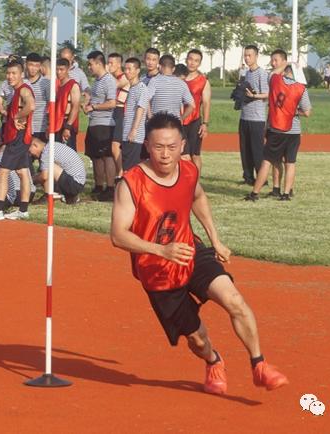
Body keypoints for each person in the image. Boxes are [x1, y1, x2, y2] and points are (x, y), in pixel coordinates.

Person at [110, 112, 289, 395]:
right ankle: (214, 360)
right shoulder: (130, 183)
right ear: (146, 145)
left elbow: (198, 197)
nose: (166, 154)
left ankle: (260, 365)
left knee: (235, 300)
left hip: (192, 253)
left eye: (172, 146)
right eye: (158, 147)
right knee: (197, 340)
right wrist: (162, 250)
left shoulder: (189, 171)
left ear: (182, 144)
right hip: (157, 273)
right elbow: (118, 235)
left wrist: (214, 240)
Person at [246, 55, 312, 202]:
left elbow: (273, 73)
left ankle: (255, 193)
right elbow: (307, 112)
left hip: (276, 129)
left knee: (267, 161)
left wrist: (287, 62)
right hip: (293, 131)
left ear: (284, 70)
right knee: (290, 162)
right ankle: (286, 193)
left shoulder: (275, 81)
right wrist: (293, 111)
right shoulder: (301, 89)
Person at [0, 58, 35, 221]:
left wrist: (18, 116)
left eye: (14, 73)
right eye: (8, 73)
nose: (10, 77)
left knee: (3, 171)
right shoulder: (15, 91)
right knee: (23, 172)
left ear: (21, 74)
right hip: (18, 138)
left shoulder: (23, 90)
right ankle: (23, 210)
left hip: (19, 138)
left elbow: (31, 106)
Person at [83, 50, 117, 201]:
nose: (89, 67)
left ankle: (110, 188)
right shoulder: (97, 81)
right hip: (94, 123)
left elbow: (112, 102)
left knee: (106, 156)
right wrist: (88, 104)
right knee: (96, 156)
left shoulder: (108, 80)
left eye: (90, 64)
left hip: (104, 124)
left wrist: (94, 107)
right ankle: (98, 186)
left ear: (98, 63)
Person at [239, 45, 269, 187]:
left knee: (257, 150)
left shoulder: (262, 73)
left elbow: (267, 94)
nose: (247, 58)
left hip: (257, 118)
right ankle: (248, 177)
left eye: (249, 55)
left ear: (256, 56)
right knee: (245, 149)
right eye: (245, 55)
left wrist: (254, 95)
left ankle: (262, 179)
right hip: (245, 116)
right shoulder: (246, 73)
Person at [29, 137, 86, 205]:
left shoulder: (46, 152)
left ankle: (48, 196)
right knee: (44, 169)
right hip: (78, 182)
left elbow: (44, 176)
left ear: (35, 145)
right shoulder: (52, 145)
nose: (30, 154)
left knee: (46, 170)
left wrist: (30, 180)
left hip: (74, 183)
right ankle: (69, 196)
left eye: (29, 151)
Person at [183, 49, 211, 172]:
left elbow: (206, 103)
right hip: (179, 121)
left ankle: (195, 184)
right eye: (190, 59)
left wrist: (205, 123)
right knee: (182, 155)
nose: (192, 63)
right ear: (186, 60)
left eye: (196, 61)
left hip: (194, 121)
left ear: (199, 63)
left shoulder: (203, 81)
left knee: (195, 155)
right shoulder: (179, 78)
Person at [122, 57, 147, 175]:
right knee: (126, 166)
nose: (126, 71)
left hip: (134, 136)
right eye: (125, 69)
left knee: (130, 170)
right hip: (126, 133)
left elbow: (141, 109)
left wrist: (134, 130)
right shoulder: (131, 88)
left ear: (137, 71)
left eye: (129, 69)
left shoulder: (141, 88)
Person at [108, 53, 130, 183]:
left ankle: (121, 174)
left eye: (111, 63)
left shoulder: (124, 77)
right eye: (108, 62)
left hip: (121, 111)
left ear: (118, 64)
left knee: (116, 145)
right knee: (111, 148)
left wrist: (105, 73)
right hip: (112, 111)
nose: (109, 66)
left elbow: (113, 85)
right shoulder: (112, 78)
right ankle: (116, 175)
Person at [53, 58, 81, 150]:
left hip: (67, 123)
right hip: (57, 124)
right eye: (57, 69)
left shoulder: (73, 85)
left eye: (61, 69)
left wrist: (68, 127)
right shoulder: (57, 85)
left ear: (68, 69)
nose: (59, 72)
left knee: (68, 153)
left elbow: (75, 107)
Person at [25, 53, 50, 141]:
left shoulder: (46, 83)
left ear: (40, 67)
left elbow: (51, 106)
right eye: (31, 65)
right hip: (24, 127)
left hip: (41, 128)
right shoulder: (21, 82)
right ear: (26, 64)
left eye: (37, 65)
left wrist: (49, 125)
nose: (33, 68)